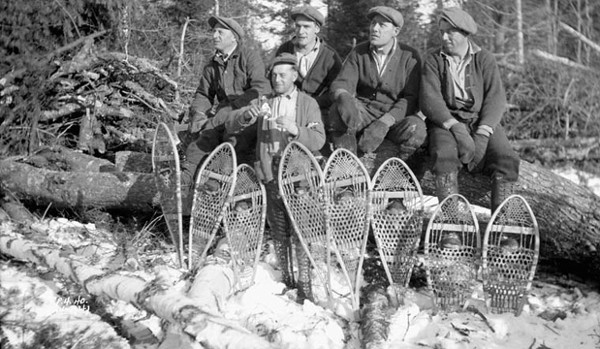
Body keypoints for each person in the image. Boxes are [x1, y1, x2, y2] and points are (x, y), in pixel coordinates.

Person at [227, 53, 325, 302]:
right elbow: (234, 124)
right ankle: (287, 279)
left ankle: (305, 284)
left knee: (302, 230)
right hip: (270, 174)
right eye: (274, 75)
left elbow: (318, 139)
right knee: (279, 229)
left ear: (294, 76)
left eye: (283, 75)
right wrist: (248, 116)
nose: (277, 79)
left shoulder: (307, 103)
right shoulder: (263, 101)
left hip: (298, 176)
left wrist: (295, 129)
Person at [420, 7, 520, 211]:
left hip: (479, 120)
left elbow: (496, 98)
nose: (445, 37)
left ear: (465, 34)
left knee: (506, 158)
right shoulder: (433, 59)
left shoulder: (484, 59)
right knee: (444, 155)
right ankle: (450, 219)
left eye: (450, 32)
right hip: (445, 121)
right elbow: (430, 99)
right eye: (442, 32)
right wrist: (454, 127)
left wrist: (483, 133)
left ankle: (502, 224)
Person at [182, 15, 271, 208]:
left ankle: (219, 186)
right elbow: (203, 94)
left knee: (232, 142)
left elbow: (261, 88)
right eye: (214, 31)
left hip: (247, 114)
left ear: (234, 37)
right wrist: (198, 114)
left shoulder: (248, 56)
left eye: (220, 32)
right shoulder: (212, 65)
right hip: (221, 115)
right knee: (202, 139)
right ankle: (185, 183)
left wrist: (236, 107)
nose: (215, 36)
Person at [327, 6, 426, 163]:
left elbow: (411, 98)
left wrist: (384, 123)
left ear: (396, 31)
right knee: (337, 111)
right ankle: (345, 163)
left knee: (417, 129)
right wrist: (344, 98)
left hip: (394, 117)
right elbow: (342, 83)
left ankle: (399, 172)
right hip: (363, 112)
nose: (375, 29)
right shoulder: (359, 51)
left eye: (382, 25)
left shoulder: (410, 56)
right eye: (373, 23)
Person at [274, 5, 342, 153]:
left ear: (317, 29)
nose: (300, 31)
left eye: (306, 27)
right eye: (297, 26)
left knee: (318, 144)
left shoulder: (330, 56)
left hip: (318, 109)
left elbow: (336, 90)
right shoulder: (285, 50)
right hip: (287, 106)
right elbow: (273, 79)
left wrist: (312, 104)